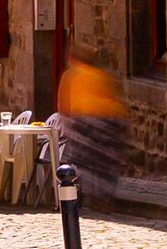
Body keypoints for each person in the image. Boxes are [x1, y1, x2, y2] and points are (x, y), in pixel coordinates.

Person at [52, 54, 128, 198]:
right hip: (112, 118)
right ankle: (105, 195)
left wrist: (67, 126)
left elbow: (63, 106)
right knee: (107, 158)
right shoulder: (102, 75)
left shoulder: (71, 75)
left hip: (87, 118)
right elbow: (117, 96)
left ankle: (84, 193)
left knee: (81, 158)